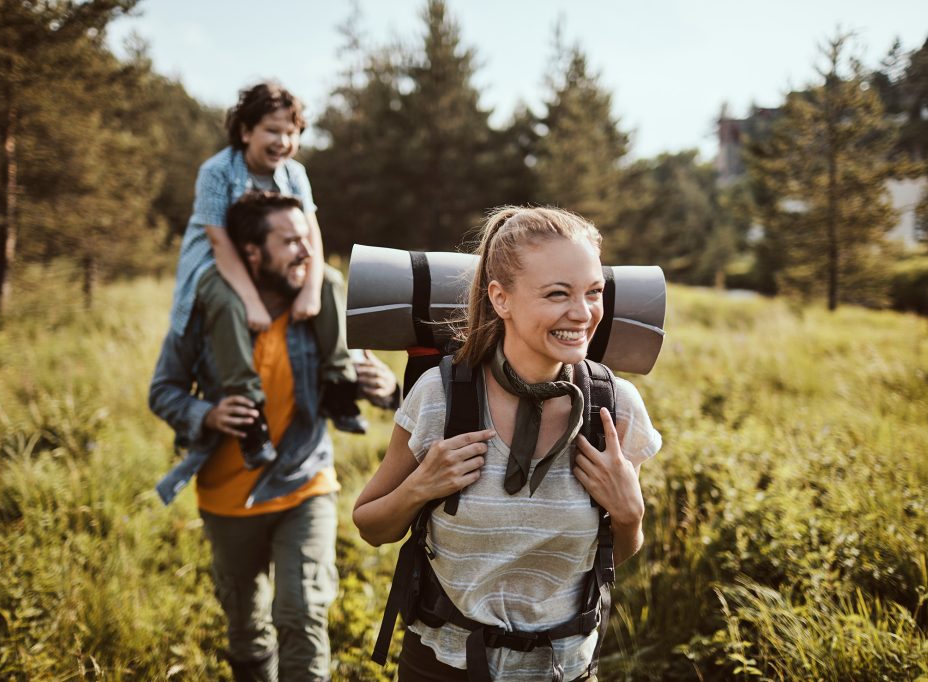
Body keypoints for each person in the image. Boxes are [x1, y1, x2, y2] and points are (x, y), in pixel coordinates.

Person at [353, 206, 661, 681]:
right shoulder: (440, 396)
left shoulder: (615, 408)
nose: (582, 314)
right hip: (445, 665)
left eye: (593, 292)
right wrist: (420, 487)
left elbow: (609, 556)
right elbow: (370, 527)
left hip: (564, 669)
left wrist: (629, 514)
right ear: (501, 298)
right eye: (557, 294)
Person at [150, 191, 399, 682]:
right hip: (226, 497)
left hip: (305, 486)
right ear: (251, 252)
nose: (304, 251)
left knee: (302, 612)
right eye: (288, 242)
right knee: (245, 626)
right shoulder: (205, 312)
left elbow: (372, 381)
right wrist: (209, 412)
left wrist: (388, 388)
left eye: (305, 238)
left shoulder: (317, 306)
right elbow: (163, 391)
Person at [167, 81, 365, 471]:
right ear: (245, 132)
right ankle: (250, 410)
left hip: (277, 261)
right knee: (226, 301)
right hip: (216, 263)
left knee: (330, 281)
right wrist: (251, 301)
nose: (283, 141)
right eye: (272, 131)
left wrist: (310, 290)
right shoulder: (217, 171)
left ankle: (339, 384)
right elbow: (220, 243)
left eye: (291, 132)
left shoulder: (294, 174)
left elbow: (312, 232)